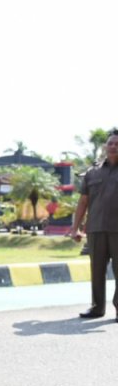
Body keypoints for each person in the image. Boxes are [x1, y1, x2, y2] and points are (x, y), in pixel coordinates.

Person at [69, 129, 118, 322]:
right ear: (105, 146)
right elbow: (83, 202)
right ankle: (97, 307)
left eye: (117, 144)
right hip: (96, 228)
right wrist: (75, 228)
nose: (113, 146)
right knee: (97, 269)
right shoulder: (92, 172)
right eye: (110, 143)